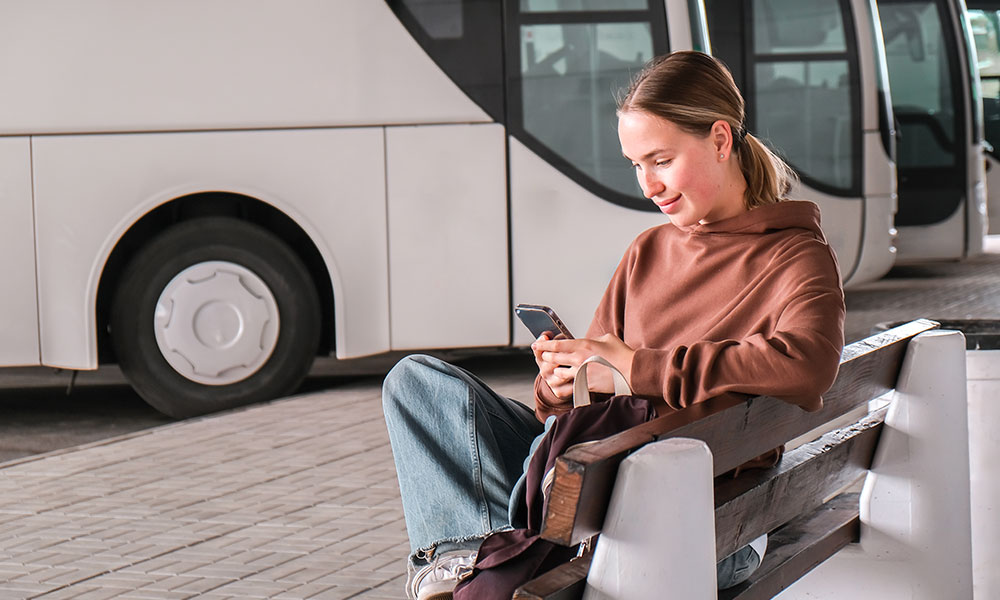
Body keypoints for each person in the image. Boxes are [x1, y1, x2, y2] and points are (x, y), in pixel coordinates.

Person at [382, 51, 845, 600]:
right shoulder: (648, 250)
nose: (648, 184)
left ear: (721, 140)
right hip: (597, 478)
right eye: (635, 164)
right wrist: (559, 383)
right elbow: (583, 412)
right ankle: (478, 558)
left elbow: (808, 365)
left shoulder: (793, 256)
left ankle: (481, 561)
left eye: (661, 160)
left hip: (705, 521)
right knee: (416, 384)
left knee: (541, 499)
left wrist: (635, 366)